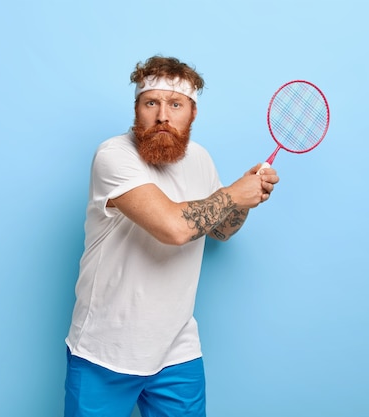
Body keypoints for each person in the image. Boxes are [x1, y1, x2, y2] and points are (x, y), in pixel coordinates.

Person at [64, 55, 279, 417]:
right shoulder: (113, 156)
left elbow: (222, 230)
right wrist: (232, 194)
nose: (163, 115)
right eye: (152, 103)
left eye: (175, 104)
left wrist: (246, 200)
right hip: (104, 349)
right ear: (137, 109)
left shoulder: (200, 158)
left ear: (192, 113)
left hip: (176, 350)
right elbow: (174, 228)